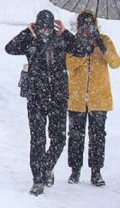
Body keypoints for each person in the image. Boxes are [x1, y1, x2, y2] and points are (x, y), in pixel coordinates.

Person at [5, 10, 86, 196]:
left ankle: (46, 167)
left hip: (58, 97)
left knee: (58, 139)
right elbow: (9, 48)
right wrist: (27, 33)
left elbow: (81, 50)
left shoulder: (61, 39)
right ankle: (38, 180)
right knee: (37, 140)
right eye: (41, 28)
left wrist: (65, 32)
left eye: (48, 28)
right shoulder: (30, 41)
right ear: (36, 26)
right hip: (36, 97)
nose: (45, 31)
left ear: (53, 27)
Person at [66, 11, 120, 187]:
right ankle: (75, 170)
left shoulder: (104, 40)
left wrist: (102, 49)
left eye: (89, 25)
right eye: (82, 26)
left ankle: (96, 171)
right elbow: (68, 64)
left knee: (97, 136)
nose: (86, 29)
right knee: (75, 135)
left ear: (94, 25)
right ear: (78, 26)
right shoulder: (72, 41)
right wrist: (82, 52)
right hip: (76, 98)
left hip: (100, 99)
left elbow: (116, 63)